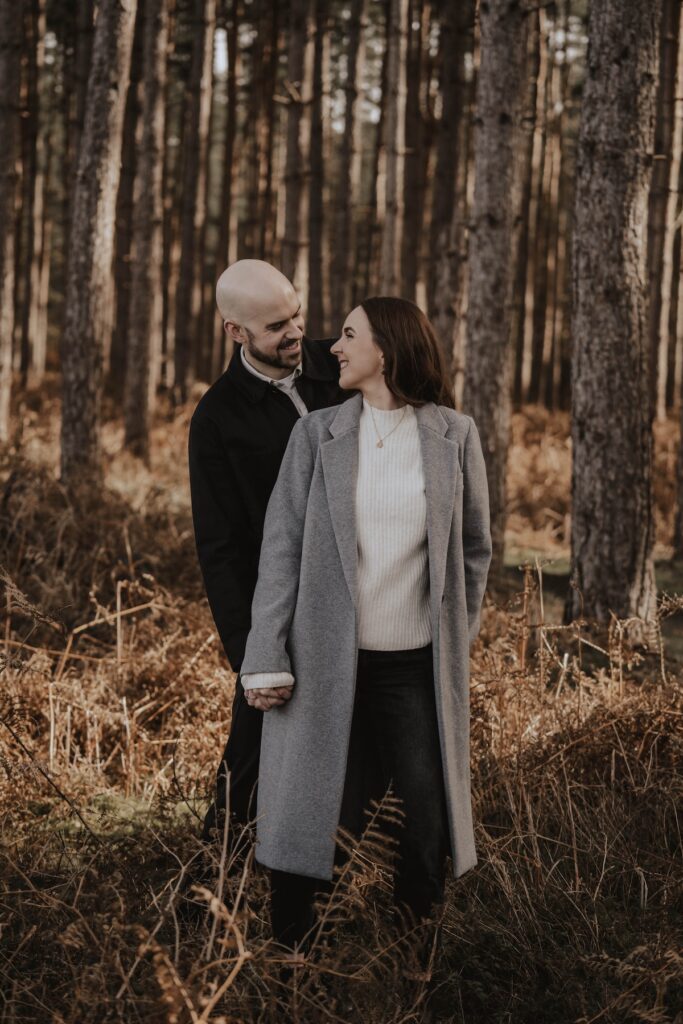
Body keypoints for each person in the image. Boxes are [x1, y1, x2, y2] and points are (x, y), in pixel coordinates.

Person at [239, 296, 492, 959]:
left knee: (423, 825)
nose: (334, 348)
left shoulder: (453, 435)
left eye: (348, 336)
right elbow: (281, 550)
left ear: (386, 350)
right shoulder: (316, 434)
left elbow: (473, 551)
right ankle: (294, 969)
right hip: (324, 661)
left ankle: (406, 970)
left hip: (414, 669)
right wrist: (265, 653)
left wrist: (453, 646)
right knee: (313, 823)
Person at [188, 259, 345, 858]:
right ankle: (213, 883)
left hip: (370, 593)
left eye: (297, 313)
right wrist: (252, 655)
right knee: (252, 757)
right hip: (285, 610)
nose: (296, 331)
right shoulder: (217, 418)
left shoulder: (342, 364)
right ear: (236, 332)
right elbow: (220, 548)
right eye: (277, 324)